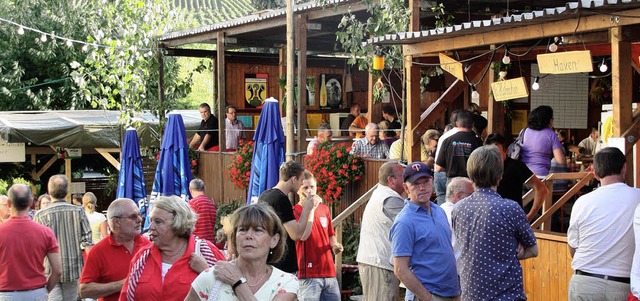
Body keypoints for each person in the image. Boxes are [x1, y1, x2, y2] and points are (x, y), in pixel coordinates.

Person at [452, 145, 538, 300]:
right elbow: (533, 250)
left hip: (471, 295)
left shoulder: (458, 209)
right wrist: (515, 250)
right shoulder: (510, 208)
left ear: (470, 175)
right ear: (500, 175)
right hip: (506, 296)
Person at [119, 195, 226, 301]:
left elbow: (229, 293)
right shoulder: (142, 257)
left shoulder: (207, 253)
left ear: (178, 224)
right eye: (151, 220)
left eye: (158, 221)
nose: (150, 226)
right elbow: (125, 297)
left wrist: (205, 271)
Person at [567, 147, 640, 300]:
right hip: (622, 285)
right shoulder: (637, 197)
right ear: (624, 168)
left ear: (595, 173)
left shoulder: (582, 202)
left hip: (584, 282)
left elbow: (573, 247)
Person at [186, 204, 299, 300]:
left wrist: (238, 282)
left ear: (274, 240)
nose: (248, 236)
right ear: (235, 237)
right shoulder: (211, 277)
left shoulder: (285, 283)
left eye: (258, 230)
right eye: (243, 229)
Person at [390, 162, 460, 301]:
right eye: (416, 184)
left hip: (452, 291)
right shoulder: (404, 221)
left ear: (432, 181)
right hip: (429, 294)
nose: (422, 188)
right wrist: (428, 298)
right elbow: (400, 269)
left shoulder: (439, 211)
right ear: (406, 188)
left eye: (426, 182)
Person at [34, 175, 93, 301]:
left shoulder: (40, 215)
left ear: (49, 192)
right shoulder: (78, 212)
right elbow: (88, 241)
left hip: (48, 269)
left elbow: (34, 246)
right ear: (67, 191)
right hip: (73, 268)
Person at [79, 198, 151, 301]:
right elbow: (84, 290)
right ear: (116, 222)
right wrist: (122, 284)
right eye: (133, 216)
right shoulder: (98, 251)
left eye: (140, 214)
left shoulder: (148, 246)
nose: (140, 219)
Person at [0, 184, 61, 300]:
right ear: (31, 202)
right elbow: (57, 270)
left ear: (9, 204)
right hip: (36, 292)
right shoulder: (45, 232)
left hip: (5, 293)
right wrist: (45, 291)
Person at [258, 161, 320, 274]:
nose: (301, 184)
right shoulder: (281, 199)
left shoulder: (265, 195)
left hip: (267, 260)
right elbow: (296, 234)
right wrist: (307, 209)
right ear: (293, 179)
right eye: (301, 180)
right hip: (283, 264)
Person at [357, 161, 405, 301]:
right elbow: (412, 225)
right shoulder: (389, 198)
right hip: (380, 264)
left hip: (378, 262)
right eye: (403, 176)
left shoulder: (382, 193)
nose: (406, 180)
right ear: (391, 180)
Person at [294, 170, 342, 301]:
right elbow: (303, 236)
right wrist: (311, 209)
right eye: (305, 187)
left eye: (312, 187)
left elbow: (330, 235)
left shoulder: (325, 209)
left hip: (329, 271)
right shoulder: (296, 211)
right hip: (309, 274)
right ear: (298, 190)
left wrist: (335, 246)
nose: (310, 191)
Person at [485, 133, 548, 221]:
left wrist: (529, 216)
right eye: (490, 152)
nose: (494, 156)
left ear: (505, 151)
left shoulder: (516, 166)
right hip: (489, 217)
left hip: (512, 218)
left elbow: (541, 189)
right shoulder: (483, 166)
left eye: (497, 152)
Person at [435, 110, 483, 180]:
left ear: (457, 123)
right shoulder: (478, 141)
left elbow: (439, 168)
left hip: (452, 181)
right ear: (472, 124)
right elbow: (482, 165)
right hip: (470, 182)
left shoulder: (447, 140)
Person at [520, 105, 566, 177]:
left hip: (523, 175)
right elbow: (560, 160)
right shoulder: (551, 134)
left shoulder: (524, 131)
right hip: (540, 175)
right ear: (548, 120)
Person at [441, 177, 474, 261]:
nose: (475, 199)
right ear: (458, 196)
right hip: (459, 269)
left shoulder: (440, 210)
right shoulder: (462, 216)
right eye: (471, 195)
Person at [434, 110, 460, 205]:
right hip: (450, 173)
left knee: (441, 201)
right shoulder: (461, 134)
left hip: (438, 172)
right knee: (453, 203)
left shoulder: (444, 136)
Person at [188, 178, 217, 242]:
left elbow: (187, 226)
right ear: (204, 189)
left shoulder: (191, 204)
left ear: (190, 190)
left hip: (197, 244)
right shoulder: (211, 204)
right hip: (210, 243)